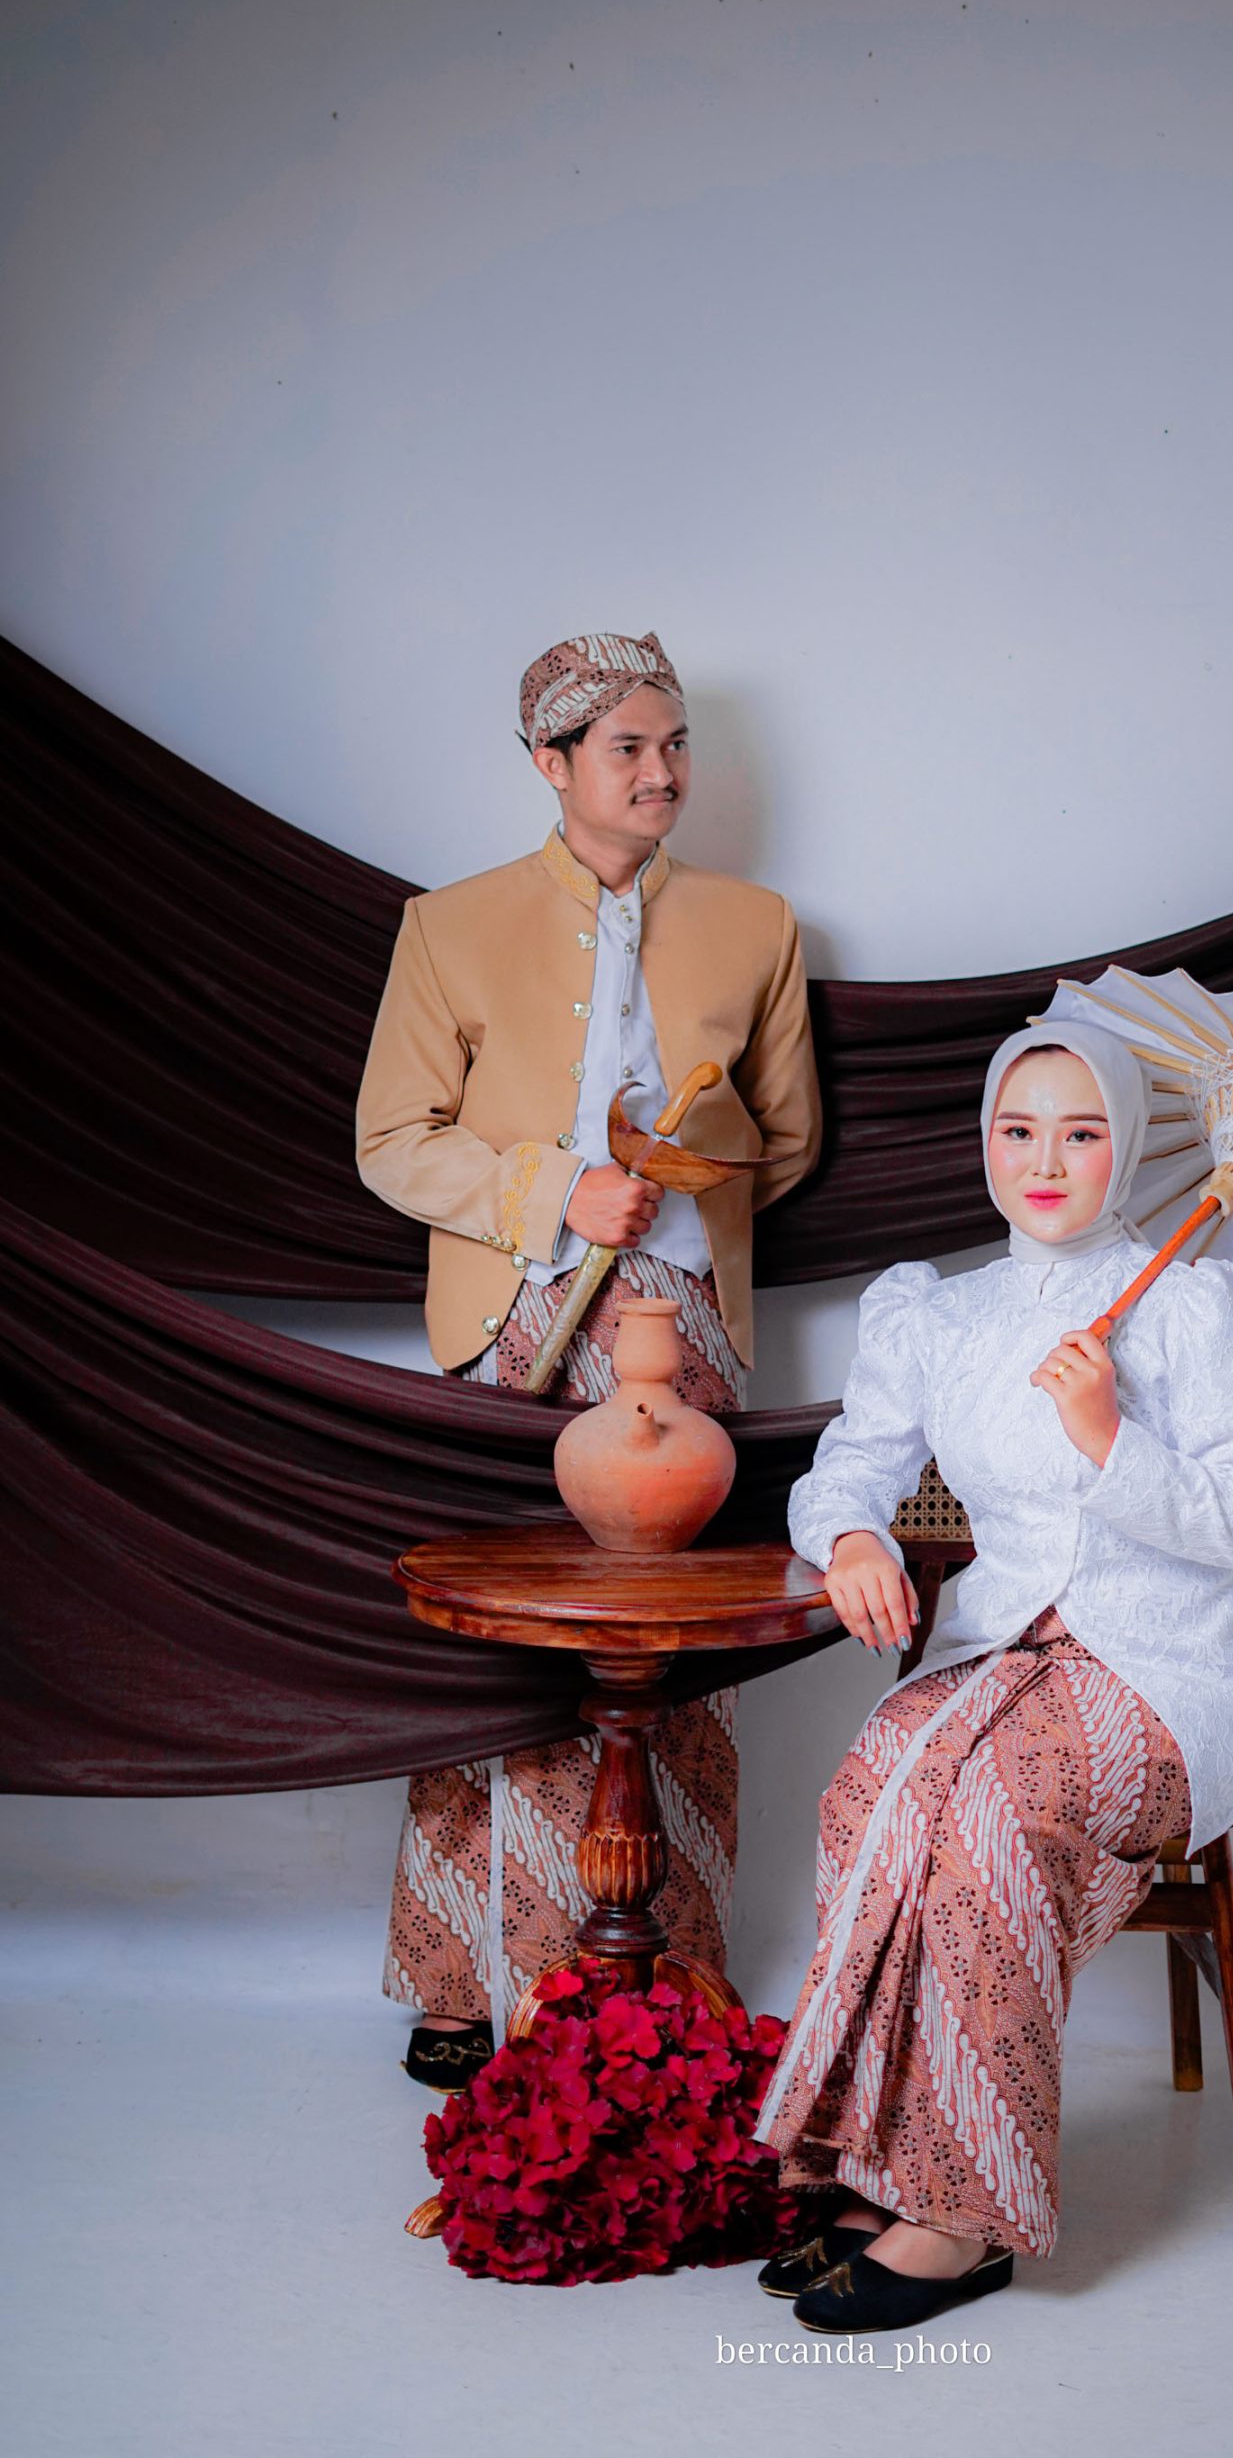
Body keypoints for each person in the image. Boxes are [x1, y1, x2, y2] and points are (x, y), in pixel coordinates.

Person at [751, 1020, 1233, 2334]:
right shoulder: (940, 1316)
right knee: (868, 1791)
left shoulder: (1196, 1306)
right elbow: (850, 1468)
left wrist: (1109, 1435)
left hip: (1173, 1670)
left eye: (1082, 1132)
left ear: (1127, 1149)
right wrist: (850, 1539)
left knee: (994, 1812)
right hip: (999, 1651)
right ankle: (873, 2158)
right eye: (1019, 1131)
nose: (1045, 1162)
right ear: (985, 1145)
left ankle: (964, 2211)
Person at [355, 629, 821, 2088]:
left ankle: (665, 1974)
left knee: (674, 1654)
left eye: (675, 744)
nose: (662, 771)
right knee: (502, 1647)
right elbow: (392, 1142)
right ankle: (461, 1980)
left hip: (681, 1343)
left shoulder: (758, 926)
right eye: (627, 747)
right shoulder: (449, 926)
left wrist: (681, 1178)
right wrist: (558, 1190)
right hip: (510, 1331)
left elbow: (785, 1140)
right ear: (551, 763)